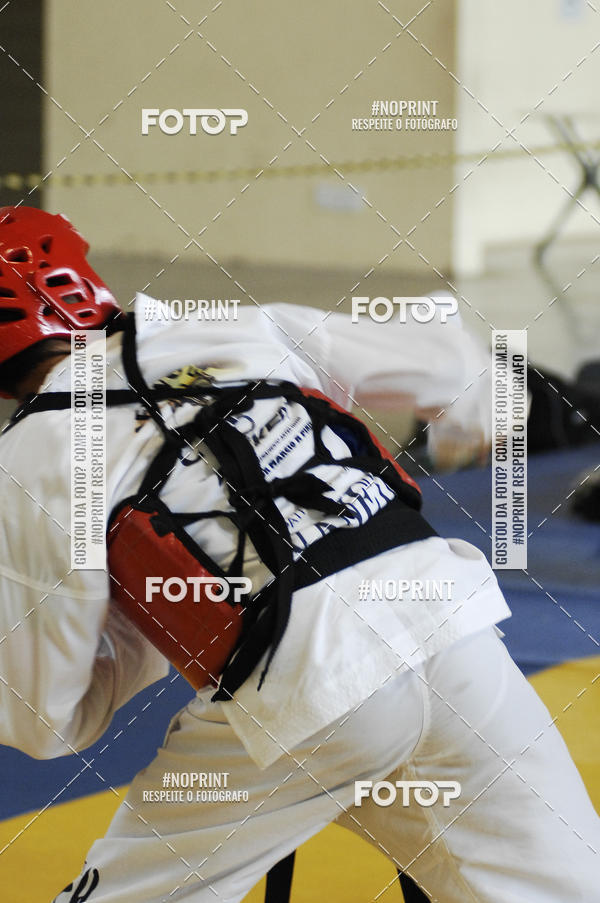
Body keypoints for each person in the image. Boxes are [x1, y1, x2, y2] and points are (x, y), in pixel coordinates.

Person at [0, 206, 598, 903]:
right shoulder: (234, 327)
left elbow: (43, 719)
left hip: (300, 692)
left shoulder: (29, 462)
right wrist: (470, 427)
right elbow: (459, 365)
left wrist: (153, 616)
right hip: (447, 620)